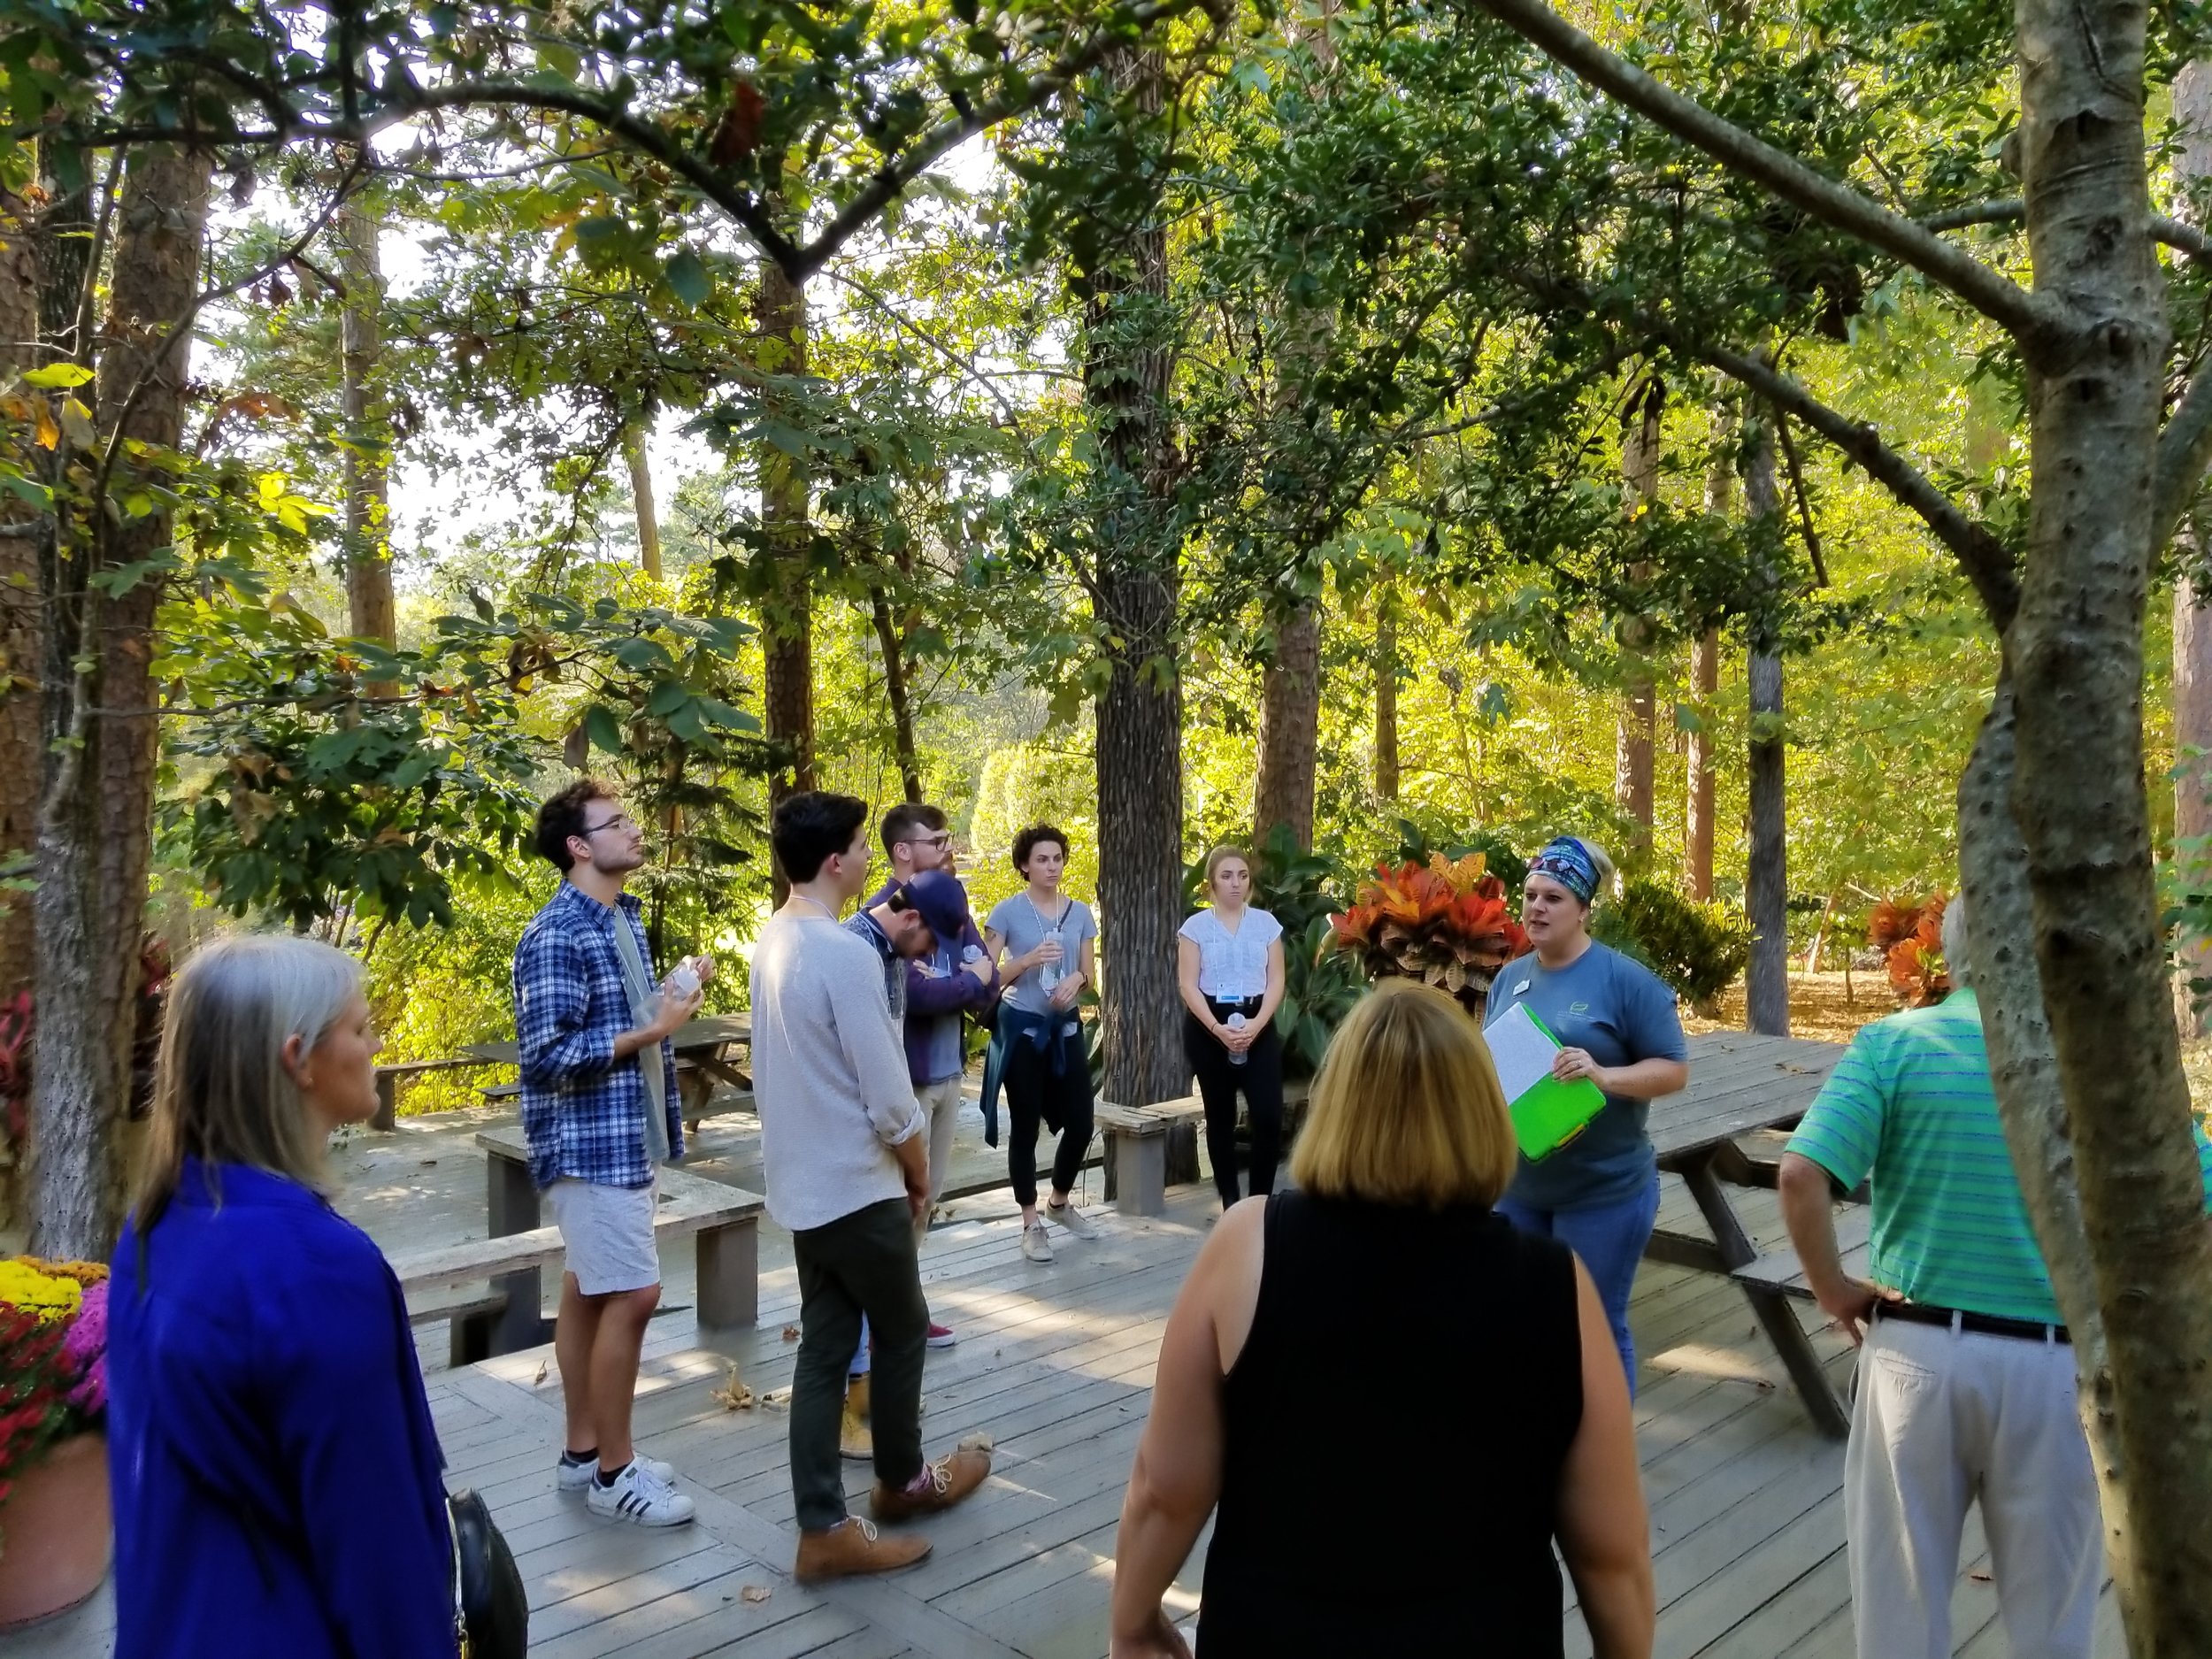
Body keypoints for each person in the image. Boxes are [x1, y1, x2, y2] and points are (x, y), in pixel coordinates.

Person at [1109, 979, 1655, 1658]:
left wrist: (1133, 1622)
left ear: (1336, 1105)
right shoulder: (1553, 1283)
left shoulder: (1248, 1244)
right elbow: (1613, 1555)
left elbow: (1165, 1489)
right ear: (1483, 1112)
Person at [1778, 895, 2212, 1658]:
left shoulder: (1893, 1045)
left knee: (1897, 1624)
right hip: (2060, 1369)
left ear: (1950, 953)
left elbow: (1800, 1175)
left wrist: (1832, 1288)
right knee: (2054, 1628)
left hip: (1917, 1358)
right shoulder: (2110, 1070)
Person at [108, 935, 459, 1657]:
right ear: (297, 1059)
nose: (374, 1044)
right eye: (360, 1028)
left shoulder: (153, 1228)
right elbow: (376, 1545)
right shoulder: (317, 1270)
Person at [752, 790, 993, 1581]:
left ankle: (822, 1523)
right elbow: (892, 1097)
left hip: (803, 1186)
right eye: (861, 845)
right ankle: (902, 1483)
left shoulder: (777, 938)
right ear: (835, 861)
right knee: (900, 1329)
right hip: (859, 1186)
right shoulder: (842, 954)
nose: (869, 856)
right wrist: (919, 1173)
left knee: (823, 1348)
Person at [513, 779, 703, 1525]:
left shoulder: (619, 916)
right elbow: (548, 1053)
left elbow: (625, 1015)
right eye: (615, 822)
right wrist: (653, 1031)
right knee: (635, 1292)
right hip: (588, 1145)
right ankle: (614, 1474)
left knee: (591, 1289)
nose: (635, 830)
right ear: (579, 846)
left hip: (625, 1135)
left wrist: (671, 998)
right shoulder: (557, 931)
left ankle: (582, 1453)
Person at [1485, 835, 1688, 1393]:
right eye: (1529, 895)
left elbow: (1673, 1069)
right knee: (1526, 1324)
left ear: (1583, 909)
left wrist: (1604, 1075)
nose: (1536, 908)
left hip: (1603, 1194)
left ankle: (1607, 1465)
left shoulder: (1626, 981)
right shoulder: (1510, 978)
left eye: (1553, 898)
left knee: (1594, 1328)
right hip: (1520, 1190)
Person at [836, 865, 978, 1458]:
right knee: (853, 1285)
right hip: (863, 1142)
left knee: (883, 1269)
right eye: (929, 945)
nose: (930, 958)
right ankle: (852, 1411)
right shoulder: (855, 952)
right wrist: (912, 1161)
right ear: (912, 918)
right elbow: (877, 1069)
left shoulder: (889, 950)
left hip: (892, 1135)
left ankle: (871, 1398)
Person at [867, 803, 1000, 1346]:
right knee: (899, 1201)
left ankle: (906, 1309)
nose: (949, 848)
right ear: (904, 850)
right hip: (909, 1081)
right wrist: (969, 979)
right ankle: (883, 1322)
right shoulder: (884, 913)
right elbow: (914, 997)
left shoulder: (951, 900)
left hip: (950, 1076)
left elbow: (989, 983)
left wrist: (967, 980)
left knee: (928, 1198)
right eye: (938, 840)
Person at [985, 823, 1101, 1263]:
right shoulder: (1007, 912)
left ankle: (1059, 1202)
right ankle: (1031, 1223)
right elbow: (987, 976)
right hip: (1022, 1030)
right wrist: (1029, 959)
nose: (1052, 867)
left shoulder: (1080, 912)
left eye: (1057, 859)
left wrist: (1078, 978)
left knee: (1083, 1121)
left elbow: (1088, 971)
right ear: (1024, 865)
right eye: (1042, 860)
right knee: (1026, 1126)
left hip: (1065, 1028)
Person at [1178, 844, 1286, 1211]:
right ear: (1211, 883)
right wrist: (1216, 1027)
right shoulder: (1195, 928)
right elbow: (1188, 984)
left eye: (1242, 875)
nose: (1235, 883)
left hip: (1258, 1023)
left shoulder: (1266, 924)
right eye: (1226, 876)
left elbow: (1276, 981)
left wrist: (1258, 1024)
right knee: (1219, 1117)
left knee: (1269, 1116)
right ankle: (1230, 1202)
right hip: (1209, 1027)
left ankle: (1259, 1204)